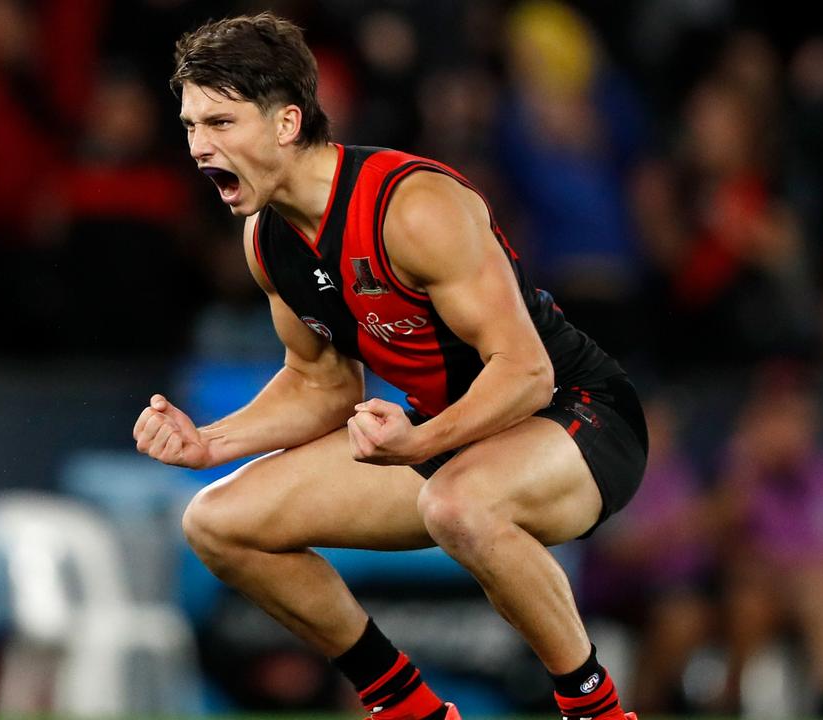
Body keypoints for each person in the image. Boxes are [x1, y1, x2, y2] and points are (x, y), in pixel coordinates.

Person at [133, 13, 648, 720]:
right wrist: (209, 443)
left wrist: (422, 442)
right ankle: (407, 708)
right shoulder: (269, 240)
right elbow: (320, 384)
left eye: (220, 123)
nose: (199, 147)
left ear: (286, 123)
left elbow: (525, 370)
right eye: (191, 126)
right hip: (452, 441)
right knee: (218, 522)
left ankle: (599, 712)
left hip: (576, 417)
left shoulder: (411, 206)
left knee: (456, 504)